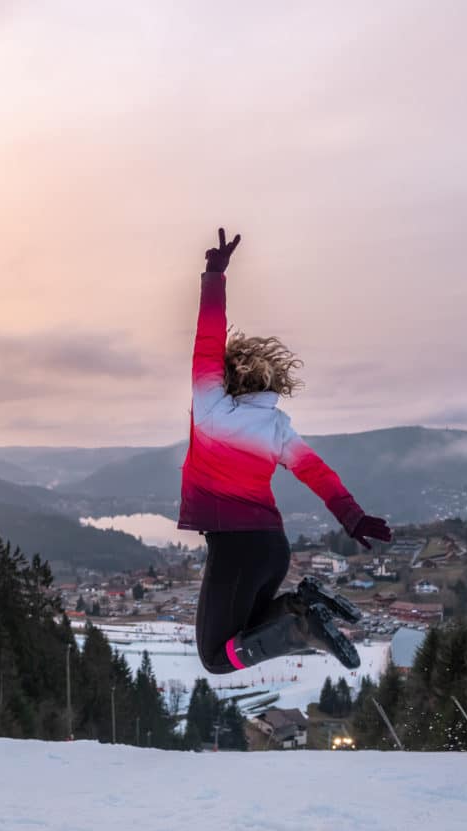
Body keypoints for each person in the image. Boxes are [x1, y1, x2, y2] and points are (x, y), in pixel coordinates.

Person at [179, 228, 391, 674]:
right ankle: (300, 607)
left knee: (216, 658)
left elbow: (207, 339)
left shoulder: (210, 404)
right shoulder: (276, 426)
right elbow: (317, 473)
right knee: (249, 630)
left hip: (235, 549)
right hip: (272, 550)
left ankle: (301, 625)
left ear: (229, 374)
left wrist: (215, 277)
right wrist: (352, 517)